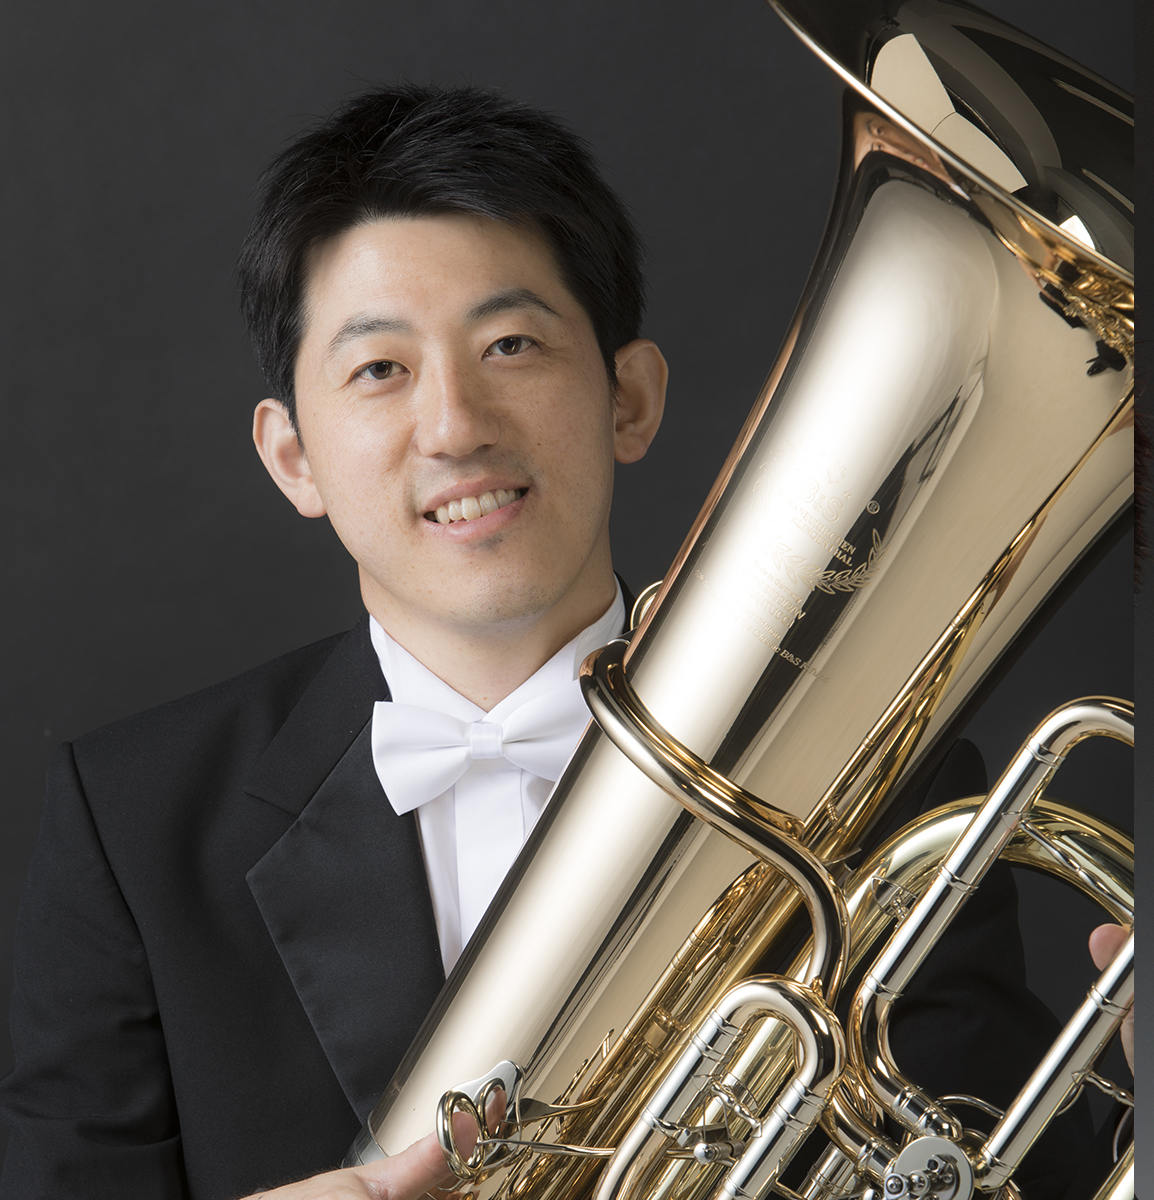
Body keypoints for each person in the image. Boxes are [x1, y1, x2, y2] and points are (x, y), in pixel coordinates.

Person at [0, 84, 1130, 1200]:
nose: (454, 426)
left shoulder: (884, 778)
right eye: (380, 369)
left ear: (629, 399)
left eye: (510, 344)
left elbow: (985, 1167)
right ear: (293, 458)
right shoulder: (134, 825)